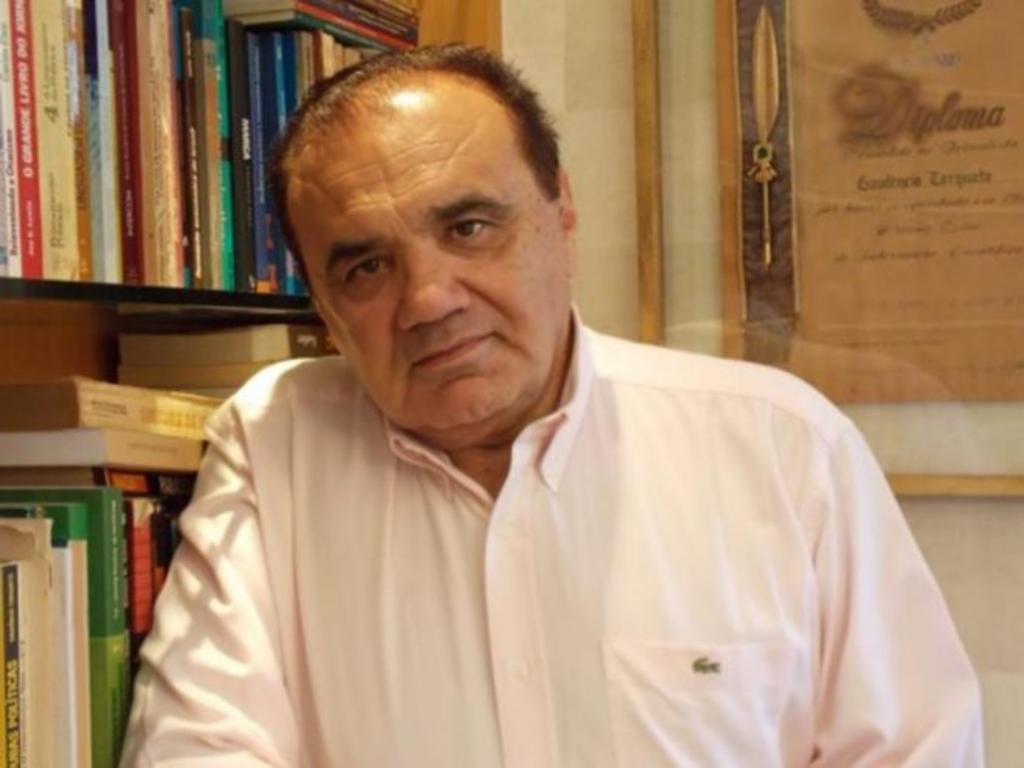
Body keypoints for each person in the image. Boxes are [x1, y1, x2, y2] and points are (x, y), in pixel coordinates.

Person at [121, 44, 982, 766]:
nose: (429, 299)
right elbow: (199, 747)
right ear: (321, 303)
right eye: (367, 267)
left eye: (468, 228)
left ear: (561, 210)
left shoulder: (781, 446)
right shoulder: (277, 442)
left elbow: (915, 751)